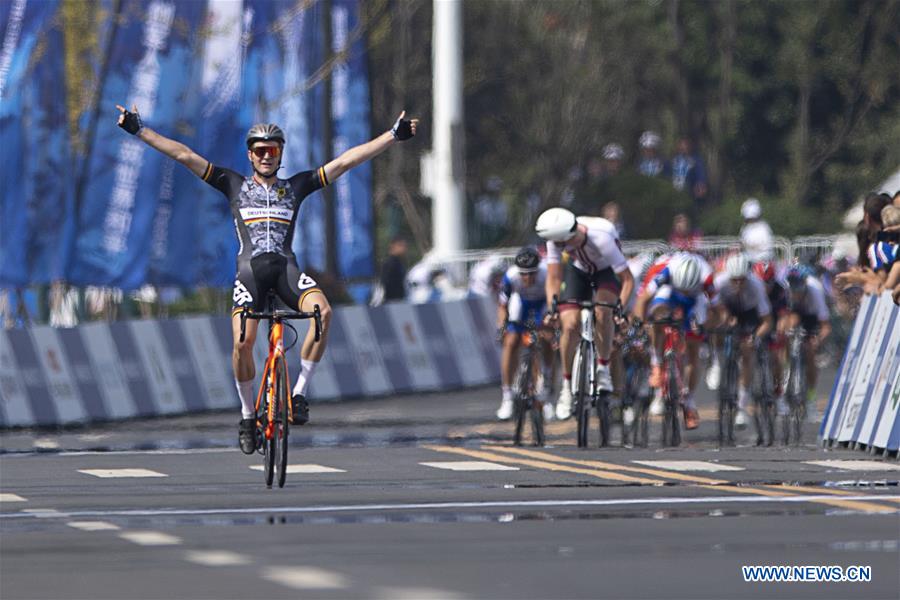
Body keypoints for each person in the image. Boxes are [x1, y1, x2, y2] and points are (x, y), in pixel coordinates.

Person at [115, 104, 418, 454]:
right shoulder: (233, 184)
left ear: (280, 154)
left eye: (272, 150)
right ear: (250, 154)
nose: (266, 156)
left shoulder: (296, 186)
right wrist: (139, 130)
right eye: (260, 150)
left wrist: (392, 136)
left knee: (323, 312)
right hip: (250, 274)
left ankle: (299, 393)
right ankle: (247, 416)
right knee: (242, 342)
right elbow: (184, 155)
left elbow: (345, 162)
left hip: (287, 271)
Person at [535, 208, 635, 420]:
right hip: (578, 271)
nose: (558, 247)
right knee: (570, 324)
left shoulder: (601, 238)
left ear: (570, 235)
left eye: (561, 244)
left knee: (603, 312)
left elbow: (627, 280)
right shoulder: (556, 238)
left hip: (605, 272)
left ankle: (603, 368)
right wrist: (553, 308)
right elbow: (553, 278)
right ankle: (566, 386)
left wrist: (620, 308)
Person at [633, 252, 715, 430]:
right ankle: (657, 362)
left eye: (686, 290)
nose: (683, 292)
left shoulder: (707, 277)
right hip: (669, 291)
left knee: (694, 348)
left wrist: (703, 328)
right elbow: (643, 300)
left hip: (695, 300)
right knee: (657, 316)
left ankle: (689, 401)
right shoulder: (666, 271)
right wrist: (642, 326)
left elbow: (715, 309)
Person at [708, 253, 773, 428]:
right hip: (727, 308)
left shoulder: (756, 285)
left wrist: (755, 337)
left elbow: (767, 321)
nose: (738, 284)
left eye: (742, 280)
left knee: (747, 352)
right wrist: (724, 318)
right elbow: (712, 308)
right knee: (716, 326)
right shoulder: (719, 282)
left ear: (747, 277)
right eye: (734, 280)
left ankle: (742, 406)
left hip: (749, 314)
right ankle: (716, 362)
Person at [495, 247, 553, 422]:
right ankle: (507, 396)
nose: (527, 278)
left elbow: (552, 303)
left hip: (542, 305)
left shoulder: (546, 274)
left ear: (538, 270)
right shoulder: (511, 276)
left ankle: (545, 390)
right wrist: (502, 327)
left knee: (546, 339)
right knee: (511, 341)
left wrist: (549, 323)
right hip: (521, 304)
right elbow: (502, 307)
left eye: (531, 273)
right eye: (523, 274)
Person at [784, 264, 832, 421]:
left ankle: (811, 399)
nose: (795, 293)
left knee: (810, 353)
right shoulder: (786, 291)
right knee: (785, 335)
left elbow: (826, 326)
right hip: (795, 314)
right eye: (793, 289)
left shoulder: (815, 290)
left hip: (812, 317)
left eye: (798, 289)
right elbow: (783, 318)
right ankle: (786, 374)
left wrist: (817, 340)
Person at [667, 136, 707, 203]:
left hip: (689, 191)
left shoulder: (696, 160)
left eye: (686, 146)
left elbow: (701, 174)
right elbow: (668, 173)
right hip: (673, 191)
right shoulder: (673, 160)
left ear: (690, 147)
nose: (683, 148)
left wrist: (701, 185)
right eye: (681, 146)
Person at [739, 198, 774, 262]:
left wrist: (749, 245)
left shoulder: (763, 228)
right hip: (749, 259)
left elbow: (765, 247)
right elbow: (743, 243)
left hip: (763, 260)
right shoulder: (745, 228)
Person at [380, 236, 409, 302]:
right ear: (393, 246)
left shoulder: (400, 263)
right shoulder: (389, 264)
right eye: (400, 245)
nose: (403, 248)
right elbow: (385, 283)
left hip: (401, 299)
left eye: (405, 246)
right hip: (391, 301)